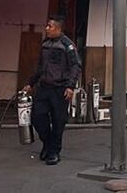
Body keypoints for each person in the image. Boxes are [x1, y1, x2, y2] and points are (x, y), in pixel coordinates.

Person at [22, 16, 81, 166]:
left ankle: (54, 152)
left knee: (58, 121)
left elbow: (75, 66)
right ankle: (47, 143)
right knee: (37, 117)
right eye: (47, 26)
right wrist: (31, 83)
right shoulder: (45, 43)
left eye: (50, 26)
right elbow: (41, 67)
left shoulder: (67, 45)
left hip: (60, 89)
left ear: (59, 29)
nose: (47, 28)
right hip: (44, 87)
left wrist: (70, 86)